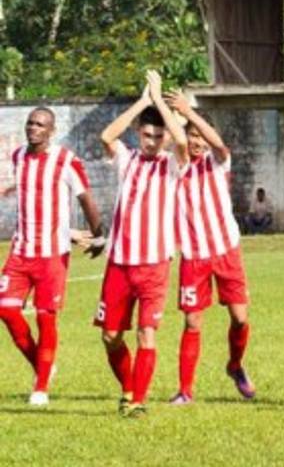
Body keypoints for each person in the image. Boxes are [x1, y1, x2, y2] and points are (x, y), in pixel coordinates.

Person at [96, 71, 189, 418]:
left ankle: (137, 400)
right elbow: (106, 136)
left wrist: (161, 103)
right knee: (110, 336)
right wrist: (143, 101)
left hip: (154, 264)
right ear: (139, 133)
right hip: (119, 263)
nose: (152, 142)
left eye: (158, 136)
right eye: (147, 135)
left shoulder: (171, 164)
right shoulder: (127, 159)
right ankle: (128, 389)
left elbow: (182, 143)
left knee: (146, 334)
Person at [0, 107, 105, 406]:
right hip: (20, 251)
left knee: (46, 318)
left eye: (40, 124)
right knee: (6, 310)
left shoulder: (66, 160)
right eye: (30, 123)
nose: (33, 128)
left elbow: (85, 198)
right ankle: (42, 365)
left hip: (51, 256)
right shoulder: (18, 157)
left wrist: (98, 235)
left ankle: (41, 387)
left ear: (51, 130)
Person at [166, 90, 255, 404]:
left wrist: (189, 112)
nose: (197, 141)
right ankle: (185, 391)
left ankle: (235, 365)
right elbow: (172, 140)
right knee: (192, 321)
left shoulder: (218, 162)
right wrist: (174, 116)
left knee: (240, 318)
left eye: (200, 136)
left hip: (226, 250)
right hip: (194, 257)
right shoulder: (175, 167)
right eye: (192, 136)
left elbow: (218, 143)